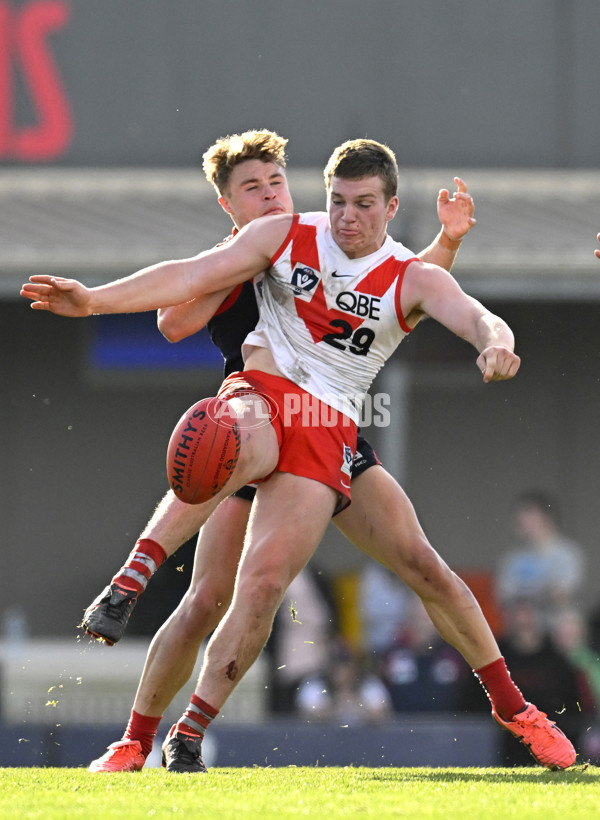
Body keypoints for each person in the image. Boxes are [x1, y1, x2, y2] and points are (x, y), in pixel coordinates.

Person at [21, 136, 576, 774]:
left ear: (391, 206)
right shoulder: (282, 234)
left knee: (303, 581)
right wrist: (93, 300)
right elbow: (185, 281)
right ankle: (132, 662)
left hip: (329, 427)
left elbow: (478, 316)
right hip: (260, 394)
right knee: (219, 449)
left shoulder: (413, 276)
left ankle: (519, 713)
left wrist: (494, 345)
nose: (347, 216)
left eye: (364, 204)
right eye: (338, 201)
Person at [496, 490, 586, 622]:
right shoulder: (512, 559)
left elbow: (563, 593)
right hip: (522, 633)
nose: (522, 520)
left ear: (546, 518)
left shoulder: (568, 554)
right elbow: (502, 595)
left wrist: (525, 593)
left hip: (556, 630)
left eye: (528, 514)